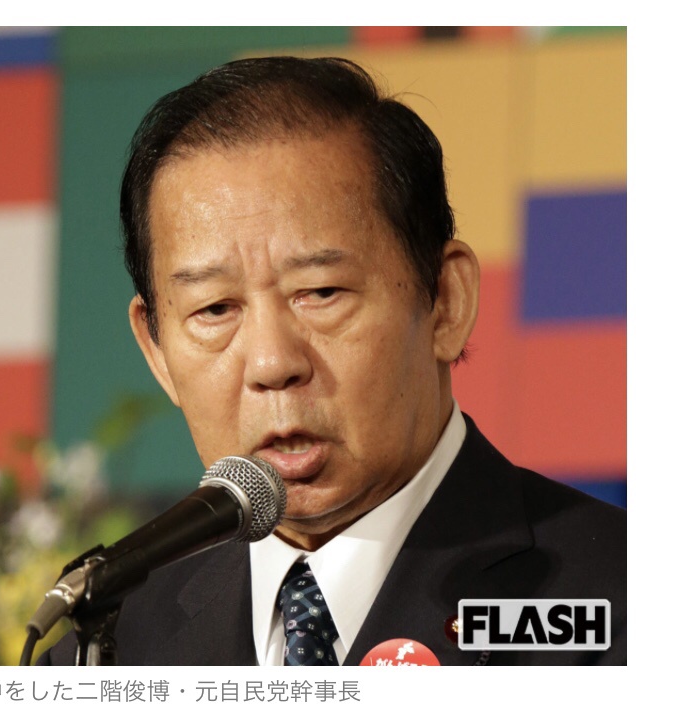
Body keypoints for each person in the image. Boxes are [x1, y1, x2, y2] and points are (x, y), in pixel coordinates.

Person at [38, 56, 626, 666]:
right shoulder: (105, 656)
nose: (272, 364)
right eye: (214, 308)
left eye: (320, 292)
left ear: (446, 303)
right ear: (157, 351)